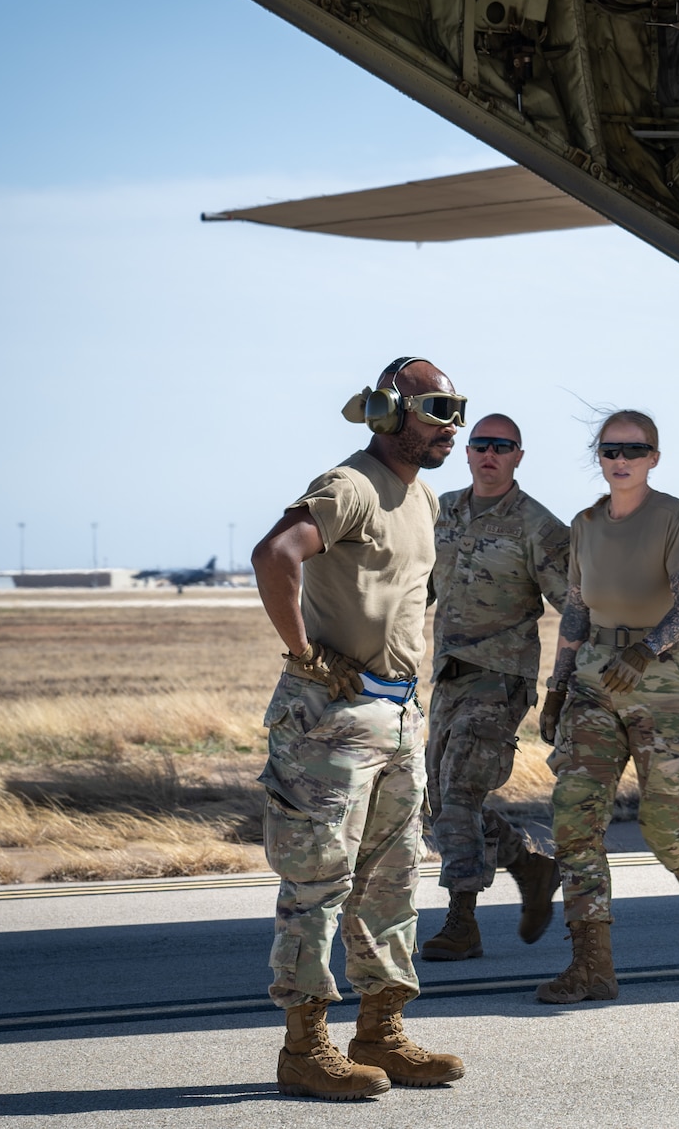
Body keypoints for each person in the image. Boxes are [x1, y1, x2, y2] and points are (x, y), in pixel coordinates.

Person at [250, 356, 466, 1101]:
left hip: (398, 715)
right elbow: (274, 555)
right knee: (317, 883)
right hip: (331, 721)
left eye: (457, 406)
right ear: (387, 414)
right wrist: (304, 655)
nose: (454, 424)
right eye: (437, 408)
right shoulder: (350, 486)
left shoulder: (422, 498)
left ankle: (381, 1032)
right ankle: (305, 1048)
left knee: (393, 881)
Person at [533, 410, 679, 1004]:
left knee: (663, 828)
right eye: (609, 450)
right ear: (598, 458)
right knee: (574, 820)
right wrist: (556, 687)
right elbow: (576, 609)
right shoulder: (584, 524)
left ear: (654, 457)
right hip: (594, 684)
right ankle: (592, 965)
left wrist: (647, 652)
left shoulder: (673, 516)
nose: (620, 459)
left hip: (664, 688)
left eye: (633, 449)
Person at [418, 413, 571, 962]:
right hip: (447, 676)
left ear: (518, 457)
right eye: (480, 444)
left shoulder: (537, 525)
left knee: (458, 791)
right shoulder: (442, 510)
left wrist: (565, 686)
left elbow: (575, 608)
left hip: (500, 678)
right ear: (466, 452)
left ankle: (462, 921)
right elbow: (420, 589)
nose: (489, 453)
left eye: (502, 446)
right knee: (439, 798)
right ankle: (529, 866)